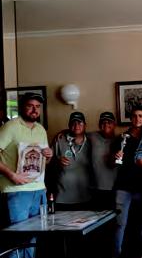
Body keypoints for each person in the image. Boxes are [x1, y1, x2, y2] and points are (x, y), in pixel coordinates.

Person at [0, 92, 52, 225]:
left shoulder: (41, 129)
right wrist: (12, 175)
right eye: (30, 106)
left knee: (39, 231)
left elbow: (45, 161)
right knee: (19, 233)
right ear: (22, 107)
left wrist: (48, 156)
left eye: (37, 106)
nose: (34, 110)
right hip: (16, 190)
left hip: (39, 189)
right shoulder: (10, 126)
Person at [113, 105, 142, 258]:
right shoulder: (122, 138)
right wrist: (116, 157)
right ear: (130, 118)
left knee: (141, 224)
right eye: (134, 116)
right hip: (124, 186)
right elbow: (114, 163)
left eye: (140, 116)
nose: (137, 119)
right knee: (120, 224)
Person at [49, 111, 92, 209]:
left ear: (85, 125)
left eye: (80, 123)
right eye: (73, 123)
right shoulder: (59, 139)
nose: (76, 126)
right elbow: (47, 162)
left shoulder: (91, 141)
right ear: (69, 125)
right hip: (62, 197)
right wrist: (57, 161)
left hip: (85, 195)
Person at [88, 111, 118, 210]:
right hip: (95, 189)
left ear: (114, 125)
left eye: (109, 122)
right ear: (99, 125)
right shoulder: (92, 136)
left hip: (114, 189)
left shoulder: (120, 140)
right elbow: (77, 131)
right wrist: (62, 132)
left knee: (113, 217)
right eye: (103, 122)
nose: (106, 125)